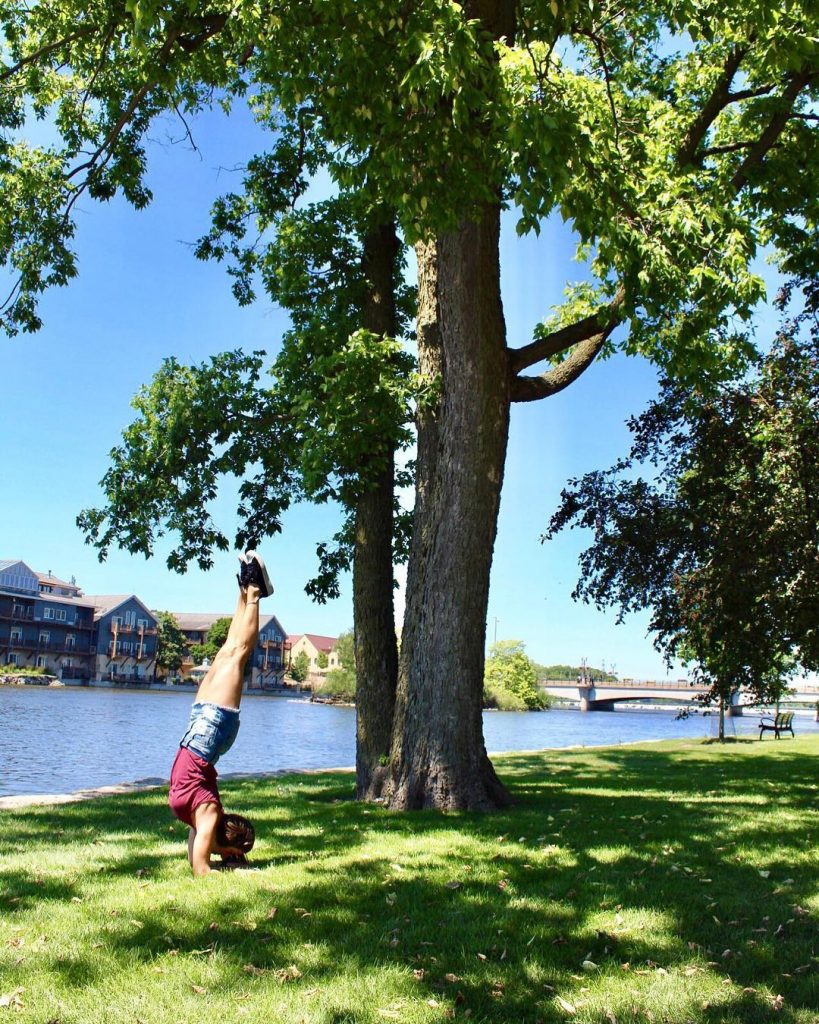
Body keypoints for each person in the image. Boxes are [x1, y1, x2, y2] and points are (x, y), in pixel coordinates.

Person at [168, 550, 273, 875]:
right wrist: (232, 864)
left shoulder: (205, 817)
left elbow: (198, 865)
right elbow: (202, 864)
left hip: (200, 730)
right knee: (238, 653)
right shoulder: (206, 813)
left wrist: (221, 860)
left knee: (230, 649)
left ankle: (247, 590)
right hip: (209, 734)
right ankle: (254, 593)